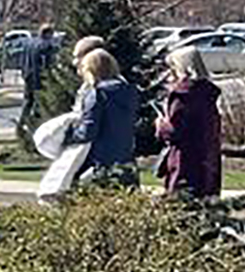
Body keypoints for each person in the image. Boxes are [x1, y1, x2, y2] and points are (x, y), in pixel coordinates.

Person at [155, 46, 222, 197]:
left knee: (180, 201)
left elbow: (174, 131)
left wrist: (160, 125)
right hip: (207, 157)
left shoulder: (182, 95)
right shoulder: (208, 91)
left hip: (185, 159)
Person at [67, 47, 139, 187]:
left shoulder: (97, 94)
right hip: (125, 157)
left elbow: (89, 130)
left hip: (100, 160)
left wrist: (70, 134)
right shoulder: (129, 91)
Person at [18, 21, 58, 135]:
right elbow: (47, 63)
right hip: (39, 78)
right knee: (39, 102)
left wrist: (24, 72)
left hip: (28, 75)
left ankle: (21, 124)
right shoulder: (46, 46)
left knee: (27, 101)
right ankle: (35, 126)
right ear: (48, 34)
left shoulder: (28, 44)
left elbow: (22, 60)